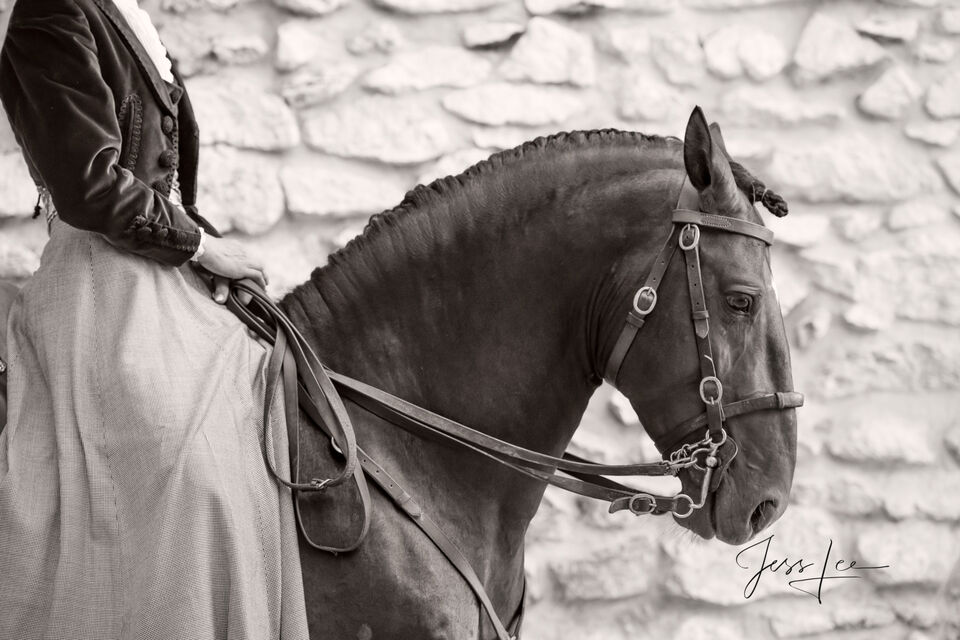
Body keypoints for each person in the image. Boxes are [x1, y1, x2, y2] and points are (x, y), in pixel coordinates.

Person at [0, 0, 309, 637]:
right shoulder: (49, 12)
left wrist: (207, 253)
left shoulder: (124, 13)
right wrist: (199, 247)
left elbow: (160, 184)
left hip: (161, 273)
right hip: (101, 287)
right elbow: (88, 185)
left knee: (274, 404)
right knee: (194, 472)